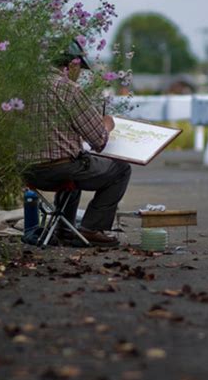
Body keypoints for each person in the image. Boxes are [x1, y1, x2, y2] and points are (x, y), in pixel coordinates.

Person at [21, 40, 131, 247]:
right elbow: (98, 140)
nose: (80, 74)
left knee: (76, 159)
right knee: (121, 170)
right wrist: (106, 124)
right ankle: (91, 228)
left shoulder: (24, 86)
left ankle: (64, 230)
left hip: (27, 172)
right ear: (72, 64)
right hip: (61, 171)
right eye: (80, 68)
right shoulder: (68, 90)